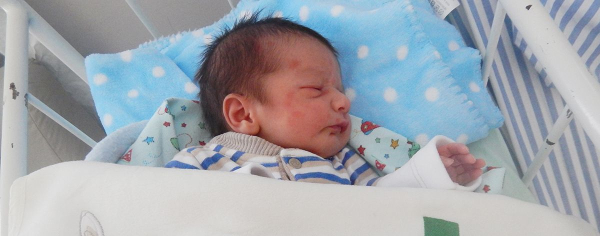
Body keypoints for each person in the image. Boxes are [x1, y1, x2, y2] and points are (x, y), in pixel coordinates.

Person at [166, 14, 485, 190]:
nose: (344, 102)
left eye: (340, 90)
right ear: (243, 114)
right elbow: (159, 210)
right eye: (316, 89)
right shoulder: (204, 162)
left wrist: (426, 173)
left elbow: (381, 207)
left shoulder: (346, 163)